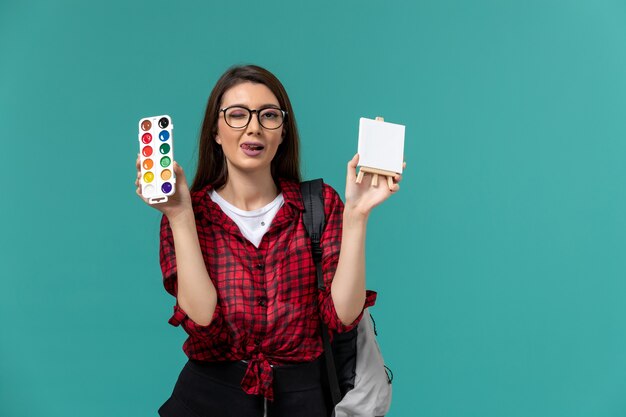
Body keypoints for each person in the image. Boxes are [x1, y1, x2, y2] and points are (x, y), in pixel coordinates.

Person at [134, 64, 403, 417]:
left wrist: (357, 215)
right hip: (209, 400)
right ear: (215, 131)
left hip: (303, 401)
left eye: (269, 116)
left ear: (283, 132)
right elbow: (202, 320)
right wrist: (180, 217)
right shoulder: (189, 211)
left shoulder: (319, 204)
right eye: (237, 115)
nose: (254, 127)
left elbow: (342, 316)